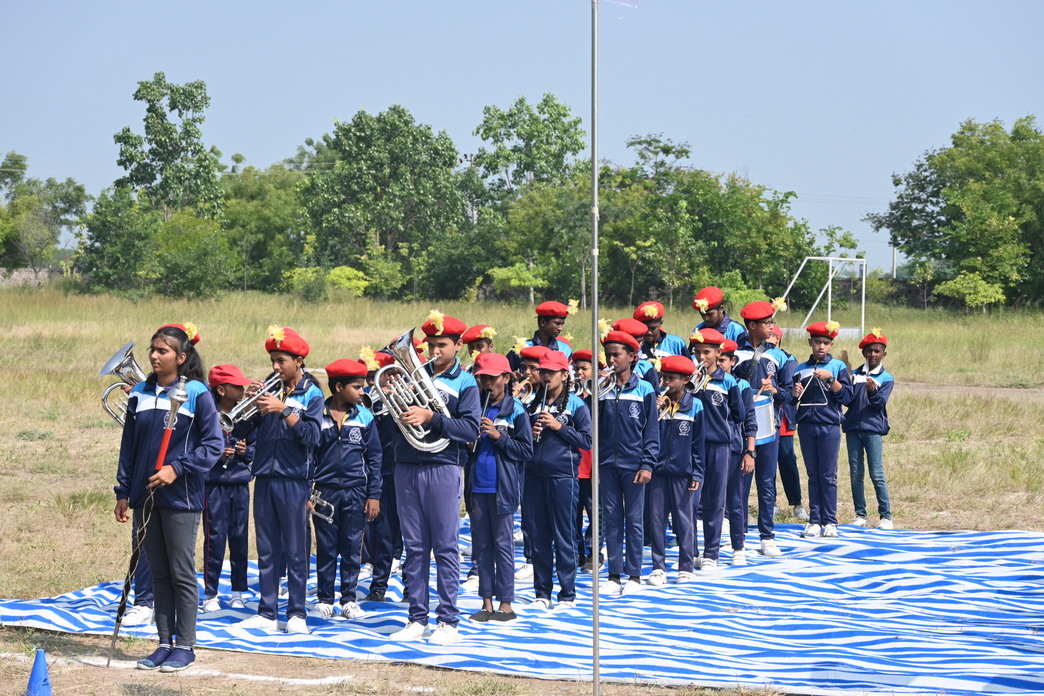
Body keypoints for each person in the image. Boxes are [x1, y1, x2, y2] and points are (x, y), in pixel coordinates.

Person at [115, 323, 223, 673]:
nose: (154, 356)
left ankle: (185, 646)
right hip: (144, 496)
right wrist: (123, 490)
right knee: (159, 573)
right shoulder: (139, 393)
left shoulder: (196, 393)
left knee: (181, 572)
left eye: (162, 350)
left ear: (181, 356)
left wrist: (177, 468)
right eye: (153, 349)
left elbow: (214, 445)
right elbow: (129, 446)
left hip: (182, 497)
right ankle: (164, 642)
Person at [389, 311, 480, 646]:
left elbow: (469, 429)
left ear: (458, 346)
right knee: (414, 548)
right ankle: (417, 618)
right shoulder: (413, 376)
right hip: (406, 465)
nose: (435, 351)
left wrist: (431, 416)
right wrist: (392, 394)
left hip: (443, 465)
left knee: (445, 547)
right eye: (430, 345)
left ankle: (448, 621)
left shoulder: (466, 382)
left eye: (442, 345)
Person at [235, 326, 324, 634]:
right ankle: (267, 612)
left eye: (281, 361)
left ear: (298, 361)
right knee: (267, 548)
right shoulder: (270, 391)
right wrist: (250, 407)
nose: (275, 367)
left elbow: (312, 437)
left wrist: (284, 410)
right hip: (264, 478)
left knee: (296, 550)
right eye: (273, 360)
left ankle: (297, 613)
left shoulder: (313, 395)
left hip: (294, 481)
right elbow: (239, 431)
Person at [311, 359, 383, 620]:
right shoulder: (317, 415)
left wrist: (373, 495)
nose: (362, 392)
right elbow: (308, 457)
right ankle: (325, 600)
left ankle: (349, 599)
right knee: (326, 548)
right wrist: (308, 493)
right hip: (324, 494)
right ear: (339, 387)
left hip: (356, 492)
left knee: (352, 547)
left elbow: (375, 458)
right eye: (357, 387)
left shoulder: (365, 416)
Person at [466, 352, 532, 623]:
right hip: (477, 488)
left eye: (492, 378)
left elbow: (526, 450)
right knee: (481, 546)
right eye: (483, 378)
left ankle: (506, 604)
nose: (487, 383)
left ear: (506, 378)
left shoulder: (516, 410)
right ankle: (486, 603)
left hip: (503, 488)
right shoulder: (474, 407)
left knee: (503, 546)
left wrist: (498, 436)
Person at [526, 350, 592, 609]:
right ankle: (542, 593)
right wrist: (529, 432)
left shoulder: (576, 404)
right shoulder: (532, 402)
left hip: (563, 477)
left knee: (564, 535)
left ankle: (567, 594)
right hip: (534, 477)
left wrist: (559, 427)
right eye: (543, 371)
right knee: (538, 537)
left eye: (551, 372)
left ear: (564, 375)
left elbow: (587, 440)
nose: (546, 376)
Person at [597, 330, 659, 596]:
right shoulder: (602, 389)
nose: (611, 359)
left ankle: (634, 574)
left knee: (634, 520)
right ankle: (613, 575)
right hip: (607, 465)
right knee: (612, 520)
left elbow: (652, 431)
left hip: (634, 465)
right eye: (608, 354)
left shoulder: (644, 389)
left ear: (632, 357)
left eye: (616, 355)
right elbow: (594, 426)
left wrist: (647, 464)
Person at [733, 300, 792, 558]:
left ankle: (767, 536)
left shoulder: (780, 356)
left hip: (769, 424)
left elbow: (789, 394)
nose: (771, 327)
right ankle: (739, 536)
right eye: (766, 323)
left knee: (767, 482)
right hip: (742, 426)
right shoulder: (733, 352)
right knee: (741, 483)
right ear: (752, 325)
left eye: (772, 322)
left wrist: (775, 390)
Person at [688, 328, 745, 571]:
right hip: (692, 446)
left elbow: (739, 414)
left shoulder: (728, 381)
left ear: (718, 352)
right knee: (690, 501)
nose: (702, 357)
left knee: (715, 500)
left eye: (707, 352)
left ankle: (712, 552)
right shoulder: (689, 378)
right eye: (697, 352)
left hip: (720, 446)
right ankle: (690, 551)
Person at [201, 364, 255, 614]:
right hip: (213, 484)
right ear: (221, 390)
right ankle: (210, 594)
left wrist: (245, 452)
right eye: (237, 386)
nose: (242, 389)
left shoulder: (246, 415)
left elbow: (255, 448)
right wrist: (217, 454)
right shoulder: (206, 414)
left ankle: (238, 592)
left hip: (240, 483)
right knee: (214, 539)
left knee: (240, 538)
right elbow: (198, 448)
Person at [793, 321, 854, 539]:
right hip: (806, 426)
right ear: (810, 342)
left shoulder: (837, 366)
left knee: (828, 475)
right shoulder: (800, 368)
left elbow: (848, 397)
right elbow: (793, 399)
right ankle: (814, 520)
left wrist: (831, 379)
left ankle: (830, 521)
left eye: (826, 343)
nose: (821, 346)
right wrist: (795, 392)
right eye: (817, 342)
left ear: (831, 345)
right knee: (813, 474)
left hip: (829, 426)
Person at [647, 355, 704, 585]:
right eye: (664, 377)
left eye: (672, 378)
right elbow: (646, 435)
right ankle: (658, 567)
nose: (667, 382)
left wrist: (697, 472)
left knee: (684, 521)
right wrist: (654, 411)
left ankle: (686, 565)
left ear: (686, 380)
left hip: (682, 473)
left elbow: (698, 444)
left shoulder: (695, 406)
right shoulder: (657, 402)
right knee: (656, 521)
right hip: (657, 472)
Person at [360, 349, 404, 603]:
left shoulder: (411, 396)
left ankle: (411, 586)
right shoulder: (375, 403)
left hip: (411, 470)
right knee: (385, 532)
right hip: (386, 472)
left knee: (415, 536)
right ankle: (378, 586)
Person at [844, 329, 895, 530]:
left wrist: (873, 392)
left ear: (884, 354)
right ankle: (860, 514)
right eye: (869, 351)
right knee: (856, 473)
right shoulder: (854, 374)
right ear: (864, 353)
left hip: (873, 429)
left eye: (877, 351)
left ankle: (886, 516)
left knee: (877, 473)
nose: (873, 354)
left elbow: (879, 403)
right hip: (853, 428)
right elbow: (847, 400)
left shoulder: (886, 378)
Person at [719, 339, 757, 566]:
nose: (718, 364)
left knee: (735, 500)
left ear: (732, 361)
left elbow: (749, 420)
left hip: (734, 449)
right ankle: (701, 550)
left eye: (723, 360)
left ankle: (738, 547)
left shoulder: (741, 386)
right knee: (705, 503)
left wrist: (749, 451)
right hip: (706, 450)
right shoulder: (701, 383)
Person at [767, 326, 807, 521]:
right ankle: (771, 502)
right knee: (767, 462)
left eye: (772, 337)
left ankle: (796, 503)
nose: (769, 340)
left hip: (783, 416)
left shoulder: (787, 359)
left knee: (787, 459)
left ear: (778, 340)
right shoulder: (758, 357)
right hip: (763, 414)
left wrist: (776, 391)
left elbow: (791, 391)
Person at [571, 349, 604, 572]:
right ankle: (577, 552)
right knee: (573, 513)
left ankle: (595, 553)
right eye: (577, 369)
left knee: (595, 512)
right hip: (573, 464)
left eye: (584, 369)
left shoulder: (601, 397)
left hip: (593, 464)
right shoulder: (570, 397)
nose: (579, 373)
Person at [507, 300, 577, 372]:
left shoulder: (565, 349)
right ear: (543, 322)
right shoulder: (521, 347)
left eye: (562, 324)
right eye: (557, 323)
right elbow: (507, 373)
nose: (560, 328)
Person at [610, 318, 660, 390]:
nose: (638, 346)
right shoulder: (609, 363)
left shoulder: (645, 367)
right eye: (633, 343)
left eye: (640, 342)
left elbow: (654, 393)